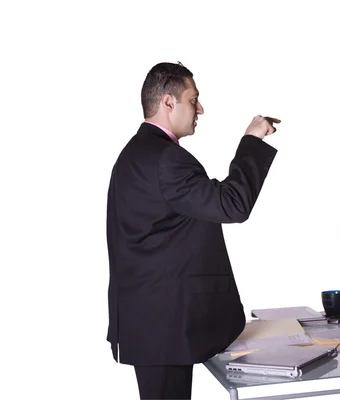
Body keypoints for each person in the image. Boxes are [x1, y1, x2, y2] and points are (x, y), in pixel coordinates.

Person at [106, 61, 280, 399]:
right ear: (169, 102)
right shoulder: (166, 159)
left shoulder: (135, 153)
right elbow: (232, 205)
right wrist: (251, 141)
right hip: (164, 327)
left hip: (148, 322)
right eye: (193, 99)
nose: (200, 108)